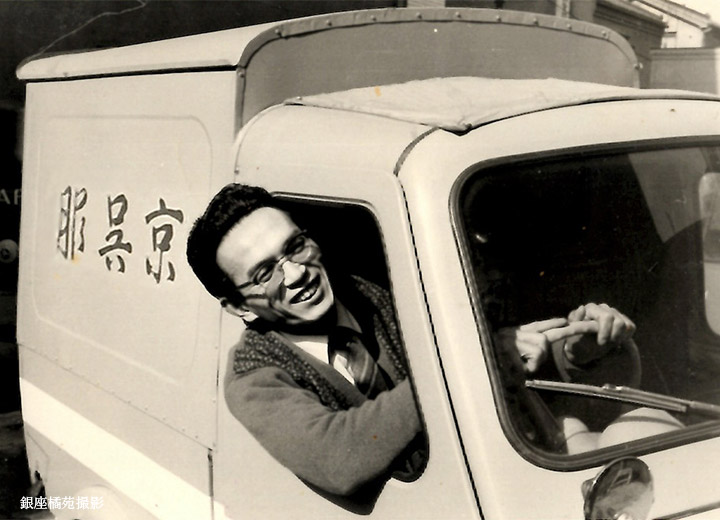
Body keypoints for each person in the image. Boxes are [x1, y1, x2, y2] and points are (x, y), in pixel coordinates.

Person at [186, 183, 637, 500]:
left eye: (295, 246)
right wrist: (478, 361)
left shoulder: (376, 291)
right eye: (265, 273)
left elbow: (501, 349)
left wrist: (577, 350)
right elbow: (339, 459)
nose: (296, 273)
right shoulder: (254, 378)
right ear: (238, 306)